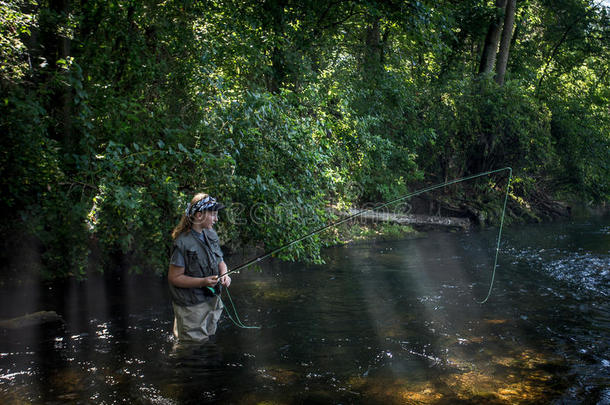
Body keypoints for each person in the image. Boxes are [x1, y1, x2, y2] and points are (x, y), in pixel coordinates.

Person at [168, 193, 231, 342]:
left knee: (206, 342)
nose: (216, 219)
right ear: (199, 215)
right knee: (190, 348)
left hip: (211, 300)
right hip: (191, 306)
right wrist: (203, 282)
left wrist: (225, 274)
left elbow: (220, 261)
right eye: (213, 215)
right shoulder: (182, 243)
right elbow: (174, 278)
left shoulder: (210, 233)